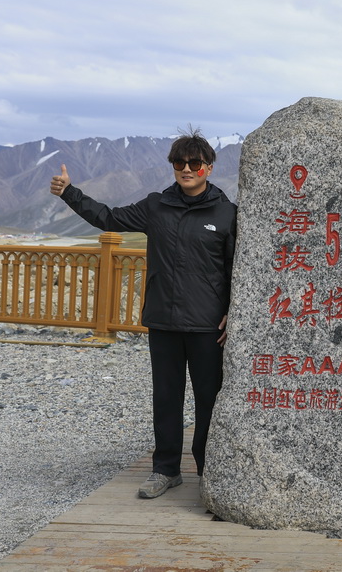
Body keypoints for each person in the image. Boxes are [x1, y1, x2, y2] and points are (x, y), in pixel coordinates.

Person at [49, 129, 237, 499]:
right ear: (173, 167)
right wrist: (70, 192)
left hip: (207, 325)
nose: (186, 169)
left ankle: (208, 472)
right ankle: (166, 470)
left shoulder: (227, 213)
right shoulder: (156, 206)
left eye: (194, 163)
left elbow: (238, 269)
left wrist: (236, 312)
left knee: (209, 399)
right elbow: (108, 217)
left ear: (209, 168)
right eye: (179, 163)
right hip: (163, 321)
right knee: (166, 396)